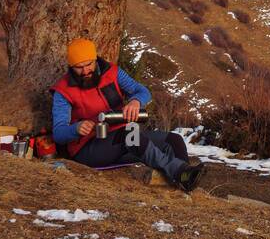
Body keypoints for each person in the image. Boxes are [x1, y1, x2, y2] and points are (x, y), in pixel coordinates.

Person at [50, 38, 203, 192]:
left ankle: (185, 182)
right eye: (79, 67)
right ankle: (179, 172)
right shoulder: (63, 91)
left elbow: (142, 91)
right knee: (130, 135)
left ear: (95, 59)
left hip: (124, 139)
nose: (85, 71)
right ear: (71, 67)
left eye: (89, 64)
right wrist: (76, 128)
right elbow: (58, 133)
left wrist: (136, 101)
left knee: (173, 140)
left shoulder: (112, 72)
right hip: (89, 149)